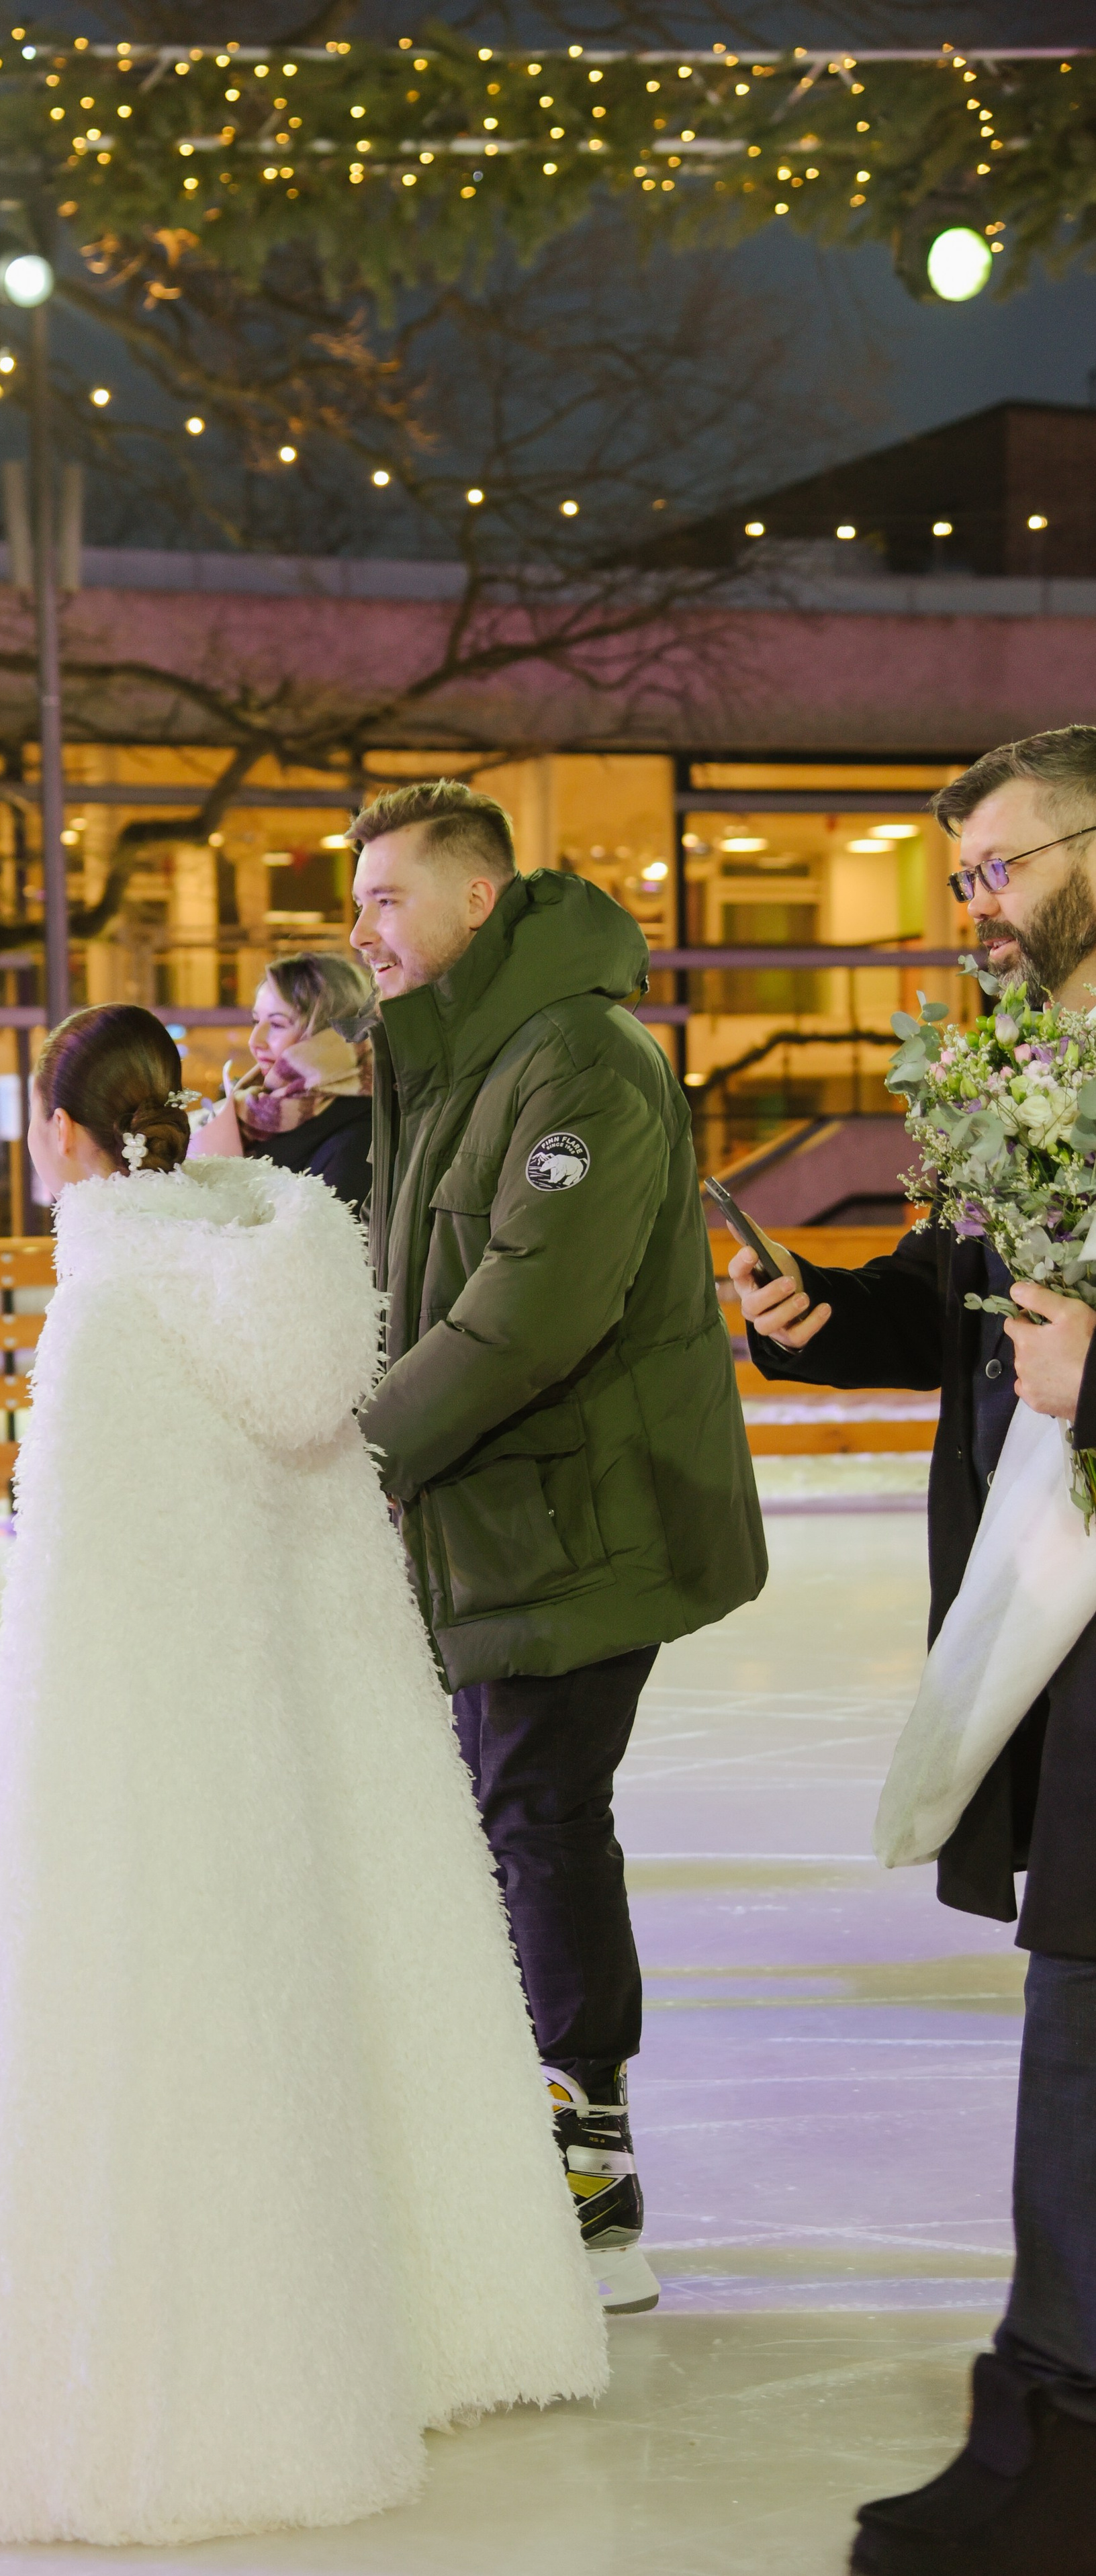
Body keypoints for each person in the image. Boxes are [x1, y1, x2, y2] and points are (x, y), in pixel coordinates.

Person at [0, 1002, 606, 2550]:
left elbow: (89, 1603)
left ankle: (233, 2389)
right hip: (316, 1763)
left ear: (64, 1138)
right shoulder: (283, 1264)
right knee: (345, 2002)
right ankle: (425, 2321)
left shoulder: (108, 1302)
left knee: (199, 2052)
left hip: (169, 1775)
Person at [735, 724, 1096, 2576]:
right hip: (1051, 1590)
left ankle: (1058, 2432)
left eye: (1007, 865)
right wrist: (823, 1316)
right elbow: (975, 1304)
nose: (980, 907)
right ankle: (1048, 2415)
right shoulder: (1033, 1061)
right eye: (961, 877)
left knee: (1084, 2004)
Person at [350, 777, 766, 2318]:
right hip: (496, 1523)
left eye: (387, 896)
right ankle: (530, 2133)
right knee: (501, 1809)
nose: (361, 929)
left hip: (579, 1515)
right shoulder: (458, 1063)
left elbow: (527, 1310)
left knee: (535, 1806)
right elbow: (419, 1283)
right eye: (354, 901)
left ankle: (588, 2162)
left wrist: (360, 1453)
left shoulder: (577, 1058)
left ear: (475, 899)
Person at [189, 950, 375, 1208]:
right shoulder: (250, 1107)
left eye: (277, 1025)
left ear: (329, 1038)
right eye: (256, 1021)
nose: (255, 1041)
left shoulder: (362, 1136)